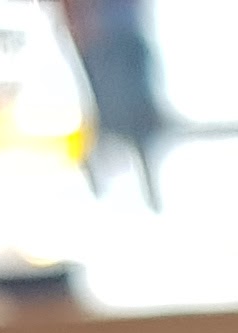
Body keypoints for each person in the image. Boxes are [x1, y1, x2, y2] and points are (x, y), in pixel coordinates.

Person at [60, 0, 166, 208]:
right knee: (109, 110)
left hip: (115, 32)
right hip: (104, 35)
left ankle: (141, 173)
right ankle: (102, 173)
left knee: (128, 110)